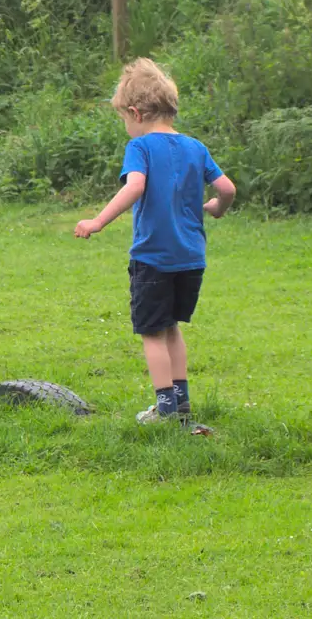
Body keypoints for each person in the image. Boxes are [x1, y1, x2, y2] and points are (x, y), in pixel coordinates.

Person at [74, 59, 236, 432]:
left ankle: (165, 411)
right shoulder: (196, 147)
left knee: (151, 331)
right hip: (191, 259)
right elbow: (226, 189)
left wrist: (97, 221)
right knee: (172, 327)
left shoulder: (142, 147)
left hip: (153, 260)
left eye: (124, 121)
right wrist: (216, 208)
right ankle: (181, 402)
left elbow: (135, 186)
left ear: (135, 113)